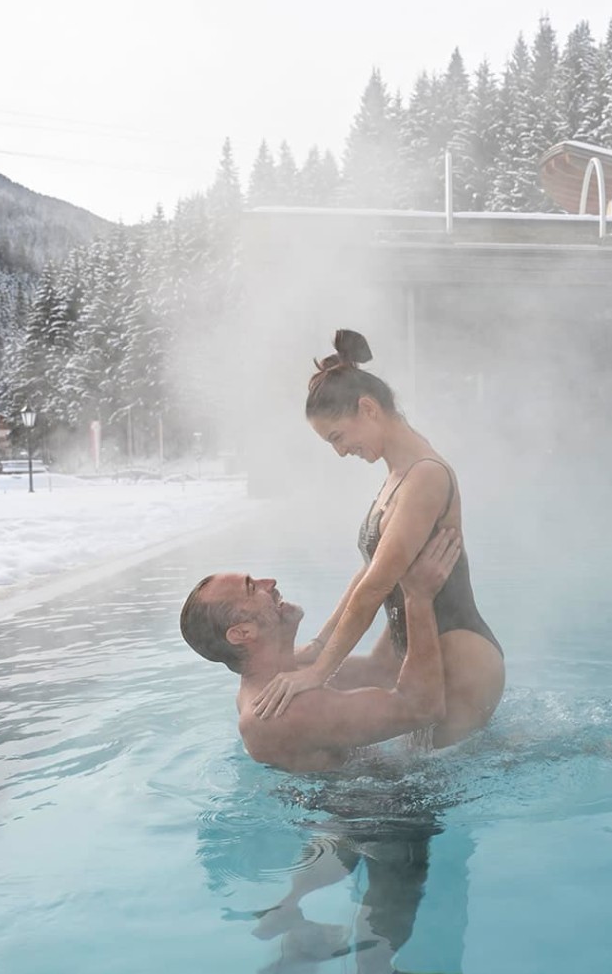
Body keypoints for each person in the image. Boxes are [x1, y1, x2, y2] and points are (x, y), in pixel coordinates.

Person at [250, 329, 504, 747]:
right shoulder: (398, 474)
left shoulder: (425, 475)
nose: (339, 451)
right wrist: (318, 647)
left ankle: (584, 749)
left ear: (367, 409)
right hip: (422, 653)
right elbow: (368, 572)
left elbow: (376, 587)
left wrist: (319, 672)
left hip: (461, 658)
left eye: (337, 436)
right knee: (411, 767)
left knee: (431, 784)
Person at [179, 529, 462, 773]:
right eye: (253, 588)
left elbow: (382, 670)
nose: (271, 582)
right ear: (242, 633)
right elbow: (424, 708)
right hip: (376, 823)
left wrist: (395, 560)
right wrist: (419, 599)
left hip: (387, 788)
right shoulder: (283, 711)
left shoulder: (288, 670)